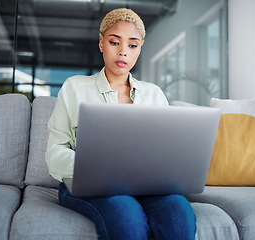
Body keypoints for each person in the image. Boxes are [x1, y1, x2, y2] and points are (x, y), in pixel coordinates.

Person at [45, 8, 196, 240]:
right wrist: (92, 164)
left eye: (132, 45)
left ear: (139, 49)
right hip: (88, 186)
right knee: (126, 214)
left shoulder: (154, 94)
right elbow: (54, 153)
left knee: (179, 212)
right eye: (115, 42)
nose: (123, 51)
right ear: (101, 44)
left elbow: (167, 153)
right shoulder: (74, 87)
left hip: (145, 186)